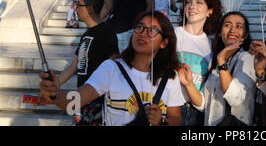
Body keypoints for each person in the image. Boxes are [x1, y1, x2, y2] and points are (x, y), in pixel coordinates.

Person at [39, 11, 184, 126]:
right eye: (139, 27)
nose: (143, 33)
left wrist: (162, 122)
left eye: (152, 30)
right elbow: (75, 101)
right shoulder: (111, 69)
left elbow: (176, 119)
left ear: (164, 42)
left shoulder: (170, 78)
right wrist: (55, 95)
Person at [178, 12, 256, 126]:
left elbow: (235, 99)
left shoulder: (247, 59)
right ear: (219, 32)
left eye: (239, 26)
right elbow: (204, 104)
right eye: (227, 25)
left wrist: (221, 61)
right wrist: (188, 84)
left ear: (245, 34)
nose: (233, 30)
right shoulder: (216, 63)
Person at [57, 0, 119, 125]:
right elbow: (75, 65)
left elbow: (113, 61)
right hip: (82, 98)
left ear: (90, 9)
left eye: (79, 4)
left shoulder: (107, 33)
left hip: (97, 102)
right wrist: (56, 83)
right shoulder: (86, 34)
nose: (76, 8)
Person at [176, 0, 223, 126]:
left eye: (199, 2)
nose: (192, 6)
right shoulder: (173, 34)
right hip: (170, 105)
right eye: (188, 2)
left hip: (194, 112)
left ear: (210, 11)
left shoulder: (212, 46)